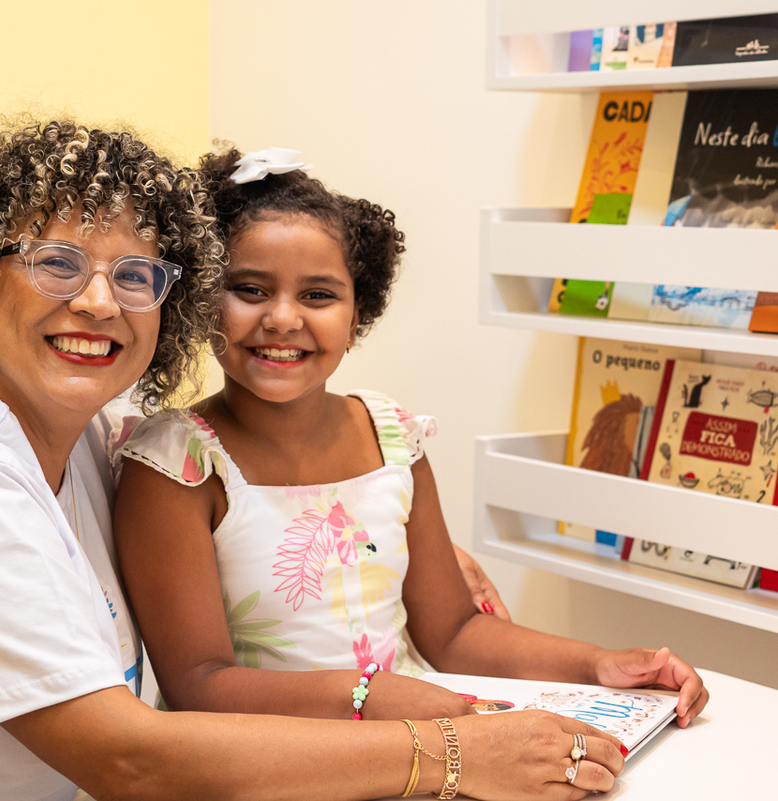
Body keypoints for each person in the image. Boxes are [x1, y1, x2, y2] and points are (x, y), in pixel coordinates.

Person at [0, 123, 628, 801]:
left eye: (136, 275)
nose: (99, 302)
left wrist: (397, 549)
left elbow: (257, 491)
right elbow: (128, 759)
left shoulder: (86, 431)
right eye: (57, 261)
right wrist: (449, 756)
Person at [112, 146, 710, 728]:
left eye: (318, 295)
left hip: (413, 740)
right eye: (249, 289)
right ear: (201, 301)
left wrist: (599, 664)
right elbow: (199, 685)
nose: (283, 319)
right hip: (271, 761)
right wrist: (366, 696)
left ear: (357, 315)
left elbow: (454, 632)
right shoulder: (174, 464)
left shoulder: (393, 437)